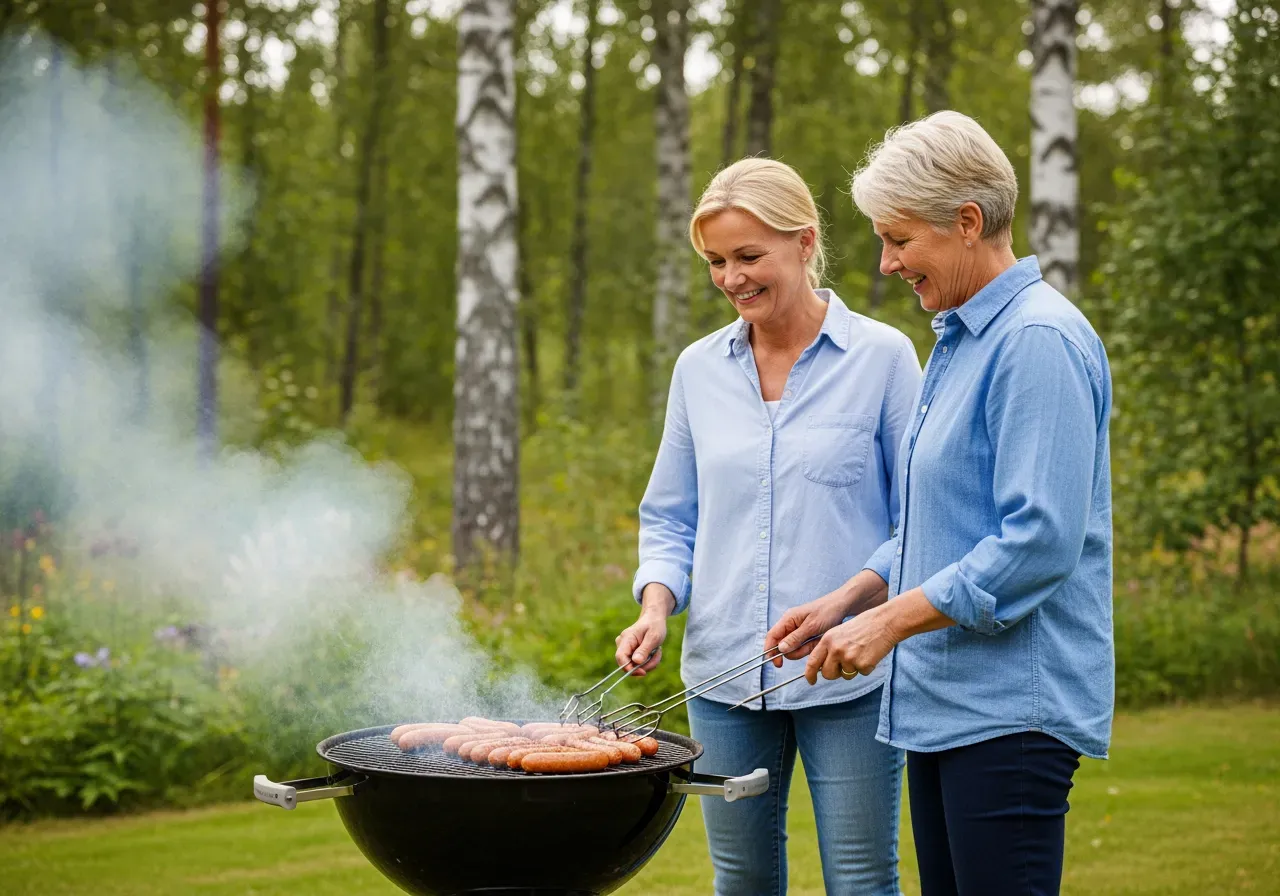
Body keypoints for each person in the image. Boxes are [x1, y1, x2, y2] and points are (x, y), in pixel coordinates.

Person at [764, 111, 1114, 896]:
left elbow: (1037, 541)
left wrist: (887, 624)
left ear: (966, 222)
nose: (886, 264)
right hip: (945, 705)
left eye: (900, 240)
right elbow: (944, 520)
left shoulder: (1036, 341)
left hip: (1010, 715)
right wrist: (850, 599)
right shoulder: (962, 339)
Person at [614, 157, 922, 896]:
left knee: (860, 878)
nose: (731, 278)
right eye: (717, 261)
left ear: (804, 242)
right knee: (742, 880)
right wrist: (656, 607)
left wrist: (850, 605)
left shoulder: (883, 359)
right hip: (721, 677)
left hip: (848, 674)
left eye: (749, 256)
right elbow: (669, 516)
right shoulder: (697, 369)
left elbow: (922, 521)